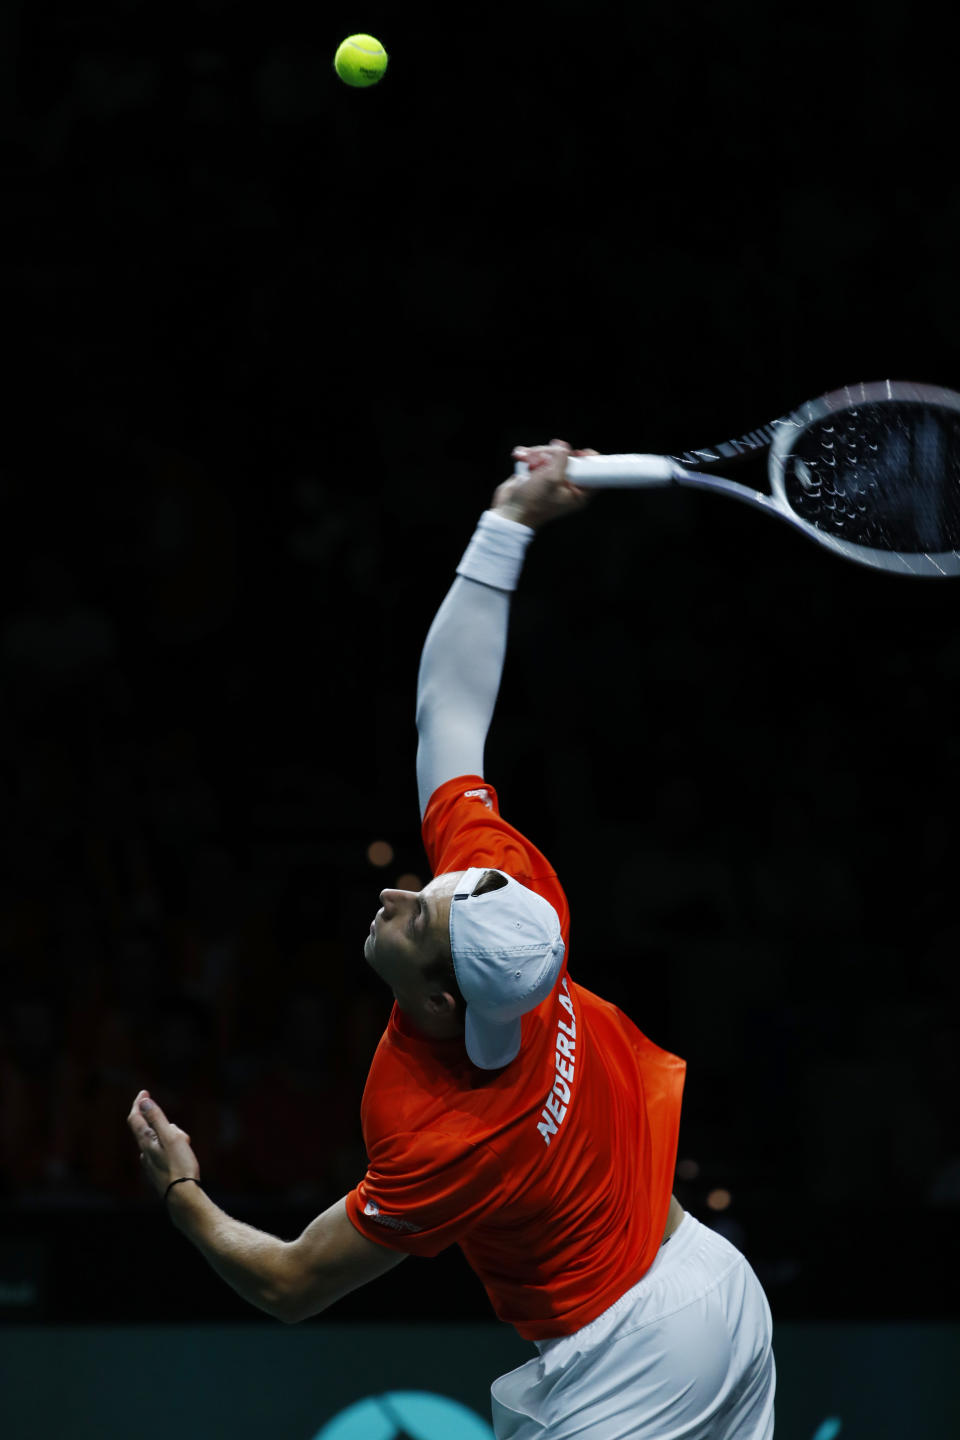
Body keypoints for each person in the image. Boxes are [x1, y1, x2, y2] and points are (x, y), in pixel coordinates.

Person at [128, 441, 776, 1437]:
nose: (397, 892)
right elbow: (452, 713)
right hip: (713, 1283)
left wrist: (180, 1193)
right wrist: (507, 524)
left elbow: (292, 1284)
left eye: (413, 914)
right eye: (427, 891)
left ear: (442, 1002)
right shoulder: (510, 903)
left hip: (633, 1356)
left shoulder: (450, 1135)